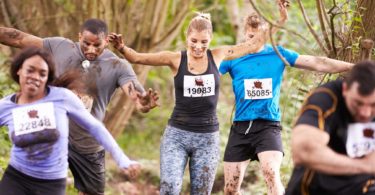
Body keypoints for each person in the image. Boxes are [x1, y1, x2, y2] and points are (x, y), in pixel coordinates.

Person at [108, 12, 263, 194]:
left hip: (207, 138)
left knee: (201, 191)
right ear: (186, 38)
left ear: (210, 39)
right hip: (177, 136)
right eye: (194, 41)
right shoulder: (175, 59)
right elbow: (138, 58)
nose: (198, 46)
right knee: (170, 189)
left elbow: (252, 45)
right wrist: (122, 47)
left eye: (204, 42)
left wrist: (277, 21)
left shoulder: (218, 55)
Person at [0, 19, 158, 195]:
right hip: (53, 136)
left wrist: (144, 104)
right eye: (86, 44)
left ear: (106, 41)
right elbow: (17, 38)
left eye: (97, 45)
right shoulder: (60, 47)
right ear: (79, 37)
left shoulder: (118, 66)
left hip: (87, 144)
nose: (91, 50)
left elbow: (138, 101)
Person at [219, 4, 354, 195]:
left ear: (266, 35)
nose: (253, 42)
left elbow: (316, 62)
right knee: (230, 189)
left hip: (267, 125)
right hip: (240, 127)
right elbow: (207, 74)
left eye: (258, 37)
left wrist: (353, 67)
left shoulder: (278, 53)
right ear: (244, 34)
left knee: (270, 173)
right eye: (250, 37)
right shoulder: (233, 57)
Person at [285, 61, 375, 195]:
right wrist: (364, 166)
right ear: (345, 89)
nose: (365, 113)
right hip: (314, 189)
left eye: (373, 105)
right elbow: (303, 151)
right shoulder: (326, 97)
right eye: (358, 103)